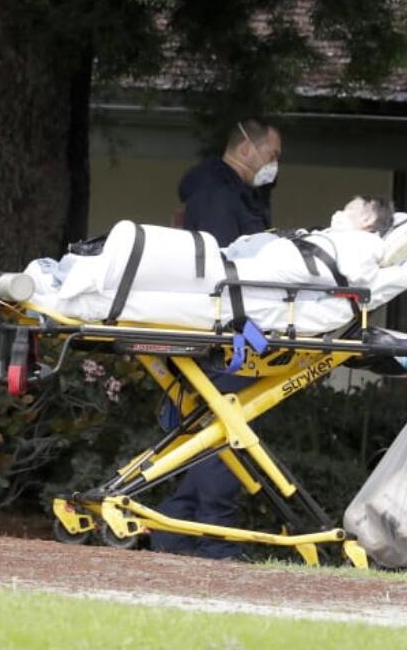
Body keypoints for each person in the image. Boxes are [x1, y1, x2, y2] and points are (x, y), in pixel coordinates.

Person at [151, 118, 281, 560]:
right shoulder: (220, 197)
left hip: (222, 326)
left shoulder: (226, 193)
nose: (275, 164)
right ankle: (216, 538)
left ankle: (175, 530)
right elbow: (230, 264)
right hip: (227, 329)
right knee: (228, 427)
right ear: (247, 149)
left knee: (215, 428)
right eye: (272, 154)